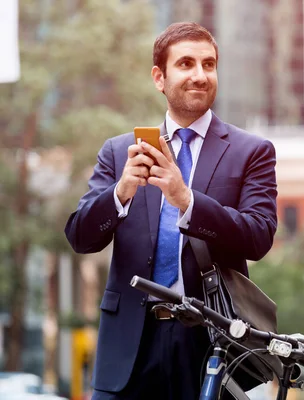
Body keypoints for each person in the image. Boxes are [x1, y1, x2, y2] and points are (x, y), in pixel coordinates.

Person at [64, 22, 278, 399]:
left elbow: (259, 236)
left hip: (208, 344)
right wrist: (122, 191)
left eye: (209, 65)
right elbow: (80, 237)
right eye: (186, 64)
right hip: (128, 344)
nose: (200, 75)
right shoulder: (119, 153)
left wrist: (187, 200)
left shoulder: (252, 152)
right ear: (159, 78)